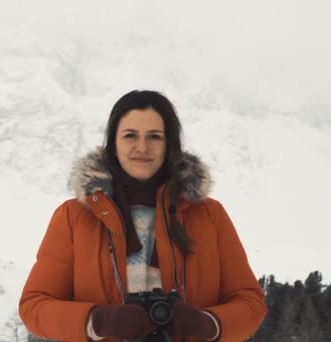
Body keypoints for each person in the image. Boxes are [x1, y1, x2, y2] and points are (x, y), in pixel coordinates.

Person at [18, 90, 266, 342]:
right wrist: (98, 321)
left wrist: (208, 324)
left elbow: (249, 302)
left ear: (169, 144)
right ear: (113, 143)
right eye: (130, 136)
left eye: (155, 137)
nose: (142, 147)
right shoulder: (74, 217)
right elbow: (34, 306)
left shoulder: (210, 216)